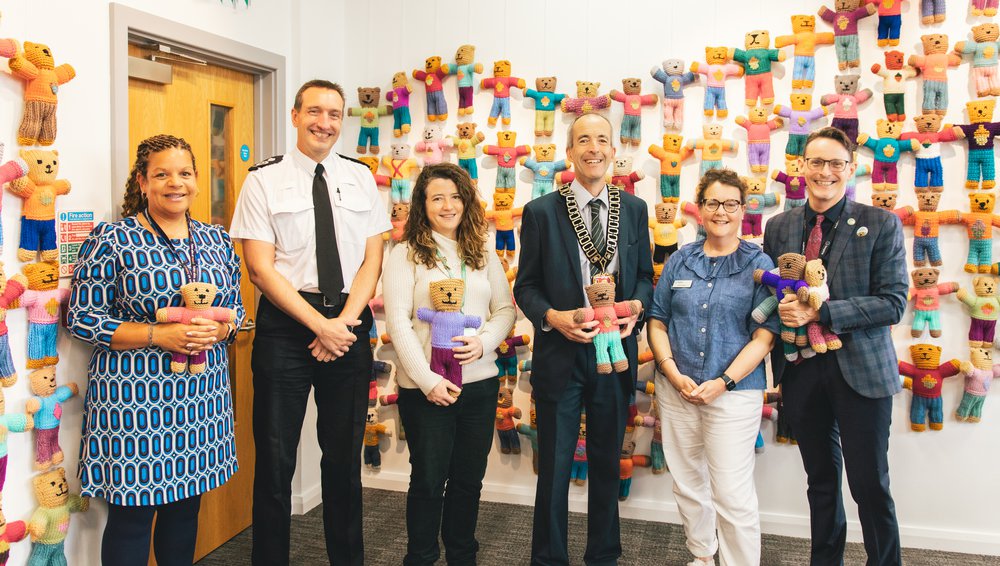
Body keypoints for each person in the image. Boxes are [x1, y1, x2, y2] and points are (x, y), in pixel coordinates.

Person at [229, 79, 390, 565]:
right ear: (295, 115)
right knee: (275, 464)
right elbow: (260, 268)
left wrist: (340, 322)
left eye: (335, 114)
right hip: (285, 325)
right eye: (315, 112)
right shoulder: (262, 179)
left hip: (348, 321)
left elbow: (372, 260)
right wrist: (318, 326)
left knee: (343, 464)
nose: (325, 122)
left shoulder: (361, 176)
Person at [68, 134, 245, 565]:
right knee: (132, 516)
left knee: (185, 511)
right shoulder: (112, 238)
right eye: (161, 174)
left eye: (184, 173)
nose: (175, 183)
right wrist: (157, 335)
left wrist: (219, 333)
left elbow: (236, 309)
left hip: (200, 397)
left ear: (197, 181)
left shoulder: (216, 240)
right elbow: (82, 318)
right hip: (134, 401)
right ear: (143, 183)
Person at [762, 126, 907, 566]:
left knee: (870, 485)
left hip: (862, 372)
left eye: (835, 164)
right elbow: (773, 294)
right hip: (801, 370)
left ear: (850, 168)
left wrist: (822, 313)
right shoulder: (779, 225)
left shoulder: (880, 222)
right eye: (817, 162)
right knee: (820, 482)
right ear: (801, 166)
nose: (825, 172)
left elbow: (893, 302)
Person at [513, 113, 653, 565]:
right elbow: (526, 287)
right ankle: (549, 558)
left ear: (614, 151)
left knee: (608, 463)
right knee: (553, 467)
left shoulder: (633, 209)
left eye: (602, 140)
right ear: (569, 153)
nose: (594, 148)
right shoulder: (541, 212)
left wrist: (635, 309)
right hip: (560, 355)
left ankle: (604, 556)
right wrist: (552, 316)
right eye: (583, 140)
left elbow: (646, 281)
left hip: (615, 356)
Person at [383, 162, 516, 565]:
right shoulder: (405, 253)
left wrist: (484, 343)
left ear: (467, 201)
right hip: (427, 391)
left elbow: (505, 310)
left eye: (455, 196)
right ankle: (420, 557)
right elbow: (399, 324)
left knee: (467, 482)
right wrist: (426, 381)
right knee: (427, 481)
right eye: (437, 197)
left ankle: (462, 556)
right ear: (423, 204)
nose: (447, 205)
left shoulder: (482, 251)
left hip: (479, 386)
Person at [646, 169, 778, 566]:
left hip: (734, 395)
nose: (721, 211)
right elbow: (657, 320)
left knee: (732, 494)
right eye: (712, 202)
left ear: (743, 210)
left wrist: (723, 381)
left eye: (730, 204)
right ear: (699, 209)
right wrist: (670, 372)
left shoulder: (759, 262)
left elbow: (765, 335)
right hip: (677, 391)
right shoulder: (680, 259)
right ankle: (703, 557)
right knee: (687, 484)